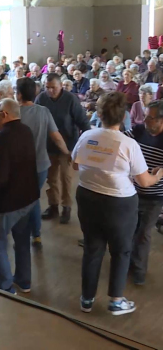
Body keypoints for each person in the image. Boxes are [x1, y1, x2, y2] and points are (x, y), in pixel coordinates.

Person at [72, 92, 163, 316]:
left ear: (99, 114)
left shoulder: (87, 136)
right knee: (121, 251)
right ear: (123, 116)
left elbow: (75, 165)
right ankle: (116, 301)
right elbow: (144, 180)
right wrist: (159, 174)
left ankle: (86, 299)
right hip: (119, 204)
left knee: (93, 249)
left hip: (87, 197)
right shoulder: (128, 143)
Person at [0, 98, 39, 293]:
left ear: (5, 114)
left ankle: (5, 287)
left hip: (8, 201)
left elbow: (0, 178)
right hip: (29, 197)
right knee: (21, 241)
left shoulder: (4, 138)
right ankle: (24, 281)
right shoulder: (25, 131)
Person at [17, 78, 70, 247]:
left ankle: (23, 234)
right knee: (33, 198)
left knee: (23, 200)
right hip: (40, 165)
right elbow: (56, 136)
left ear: (18, 94)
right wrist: (67, 152)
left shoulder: (14, 112)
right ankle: (36, 234)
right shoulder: (44, 111)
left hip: (19, 166)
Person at [36, 73, 91, 224]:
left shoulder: (70, 99)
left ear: (60, 86)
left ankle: (66, 206)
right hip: (48, 145)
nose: (50, 91)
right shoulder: (41, 99)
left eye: (53, 87)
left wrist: (84, 144)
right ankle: (53, 206)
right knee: (51, 177)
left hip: (68, 145)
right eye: (47, 88)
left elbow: (82, 122)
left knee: (65, 178)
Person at [125, 100, 163, 285]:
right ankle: (128, 264)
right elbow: (120, 141)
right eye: (145, 115)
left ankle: (139, 270)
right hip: (132, 191)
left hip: (155, 196)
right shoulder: (139, 131)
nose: (145, 119)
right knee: (130, 229)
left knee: (143, 233)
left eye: (150, 117)